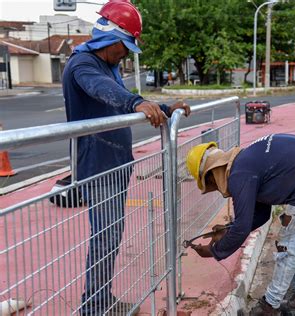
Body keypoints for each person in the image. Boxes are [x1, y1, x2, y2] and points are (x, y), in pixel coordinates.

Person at [62, 2, 190, 315]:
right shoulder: (83, 64)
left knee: (112, 236)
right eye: (125, 46)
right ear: (111, 39)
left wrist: (165, 107)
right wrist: (136, 101)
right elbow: (104, 91)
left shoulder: (110, 66)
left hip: (116, 163)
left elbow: (126, 103)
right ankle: (93, 307)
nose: (126, 53)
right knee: (105, 238)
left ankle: (102, 300)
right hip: (97, 166)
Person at [185, 134, 295, 315]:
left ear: (211, 175)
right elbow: (261, 214)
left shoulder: (240, 174)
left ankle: (269, 306)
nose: (216, 188)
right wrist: (228, 230)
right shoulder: (245, 163)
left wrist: (213, 251)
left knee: (289, 245)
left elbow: (242, 228)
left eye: (211, 184)